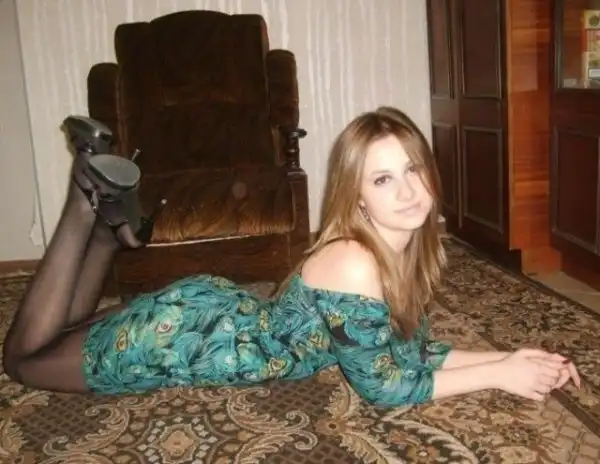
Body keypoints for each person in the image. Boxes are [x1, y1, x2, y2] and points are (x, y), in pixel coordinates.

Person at [2, 107, 581, 406]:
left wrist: (512, 357)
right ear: (357, 196)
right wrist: (498, 376)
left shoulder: (400, 251)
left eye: (412, 169)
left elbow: (409, 352)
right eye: (383, 178)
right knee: (23, 362)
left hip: (210, 314)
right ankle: (85, 200)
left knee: (65, 334)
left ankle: (111, 234)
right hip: (183, 339)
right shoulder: (355, 262)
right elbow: (385, 388)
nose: (408, 191)